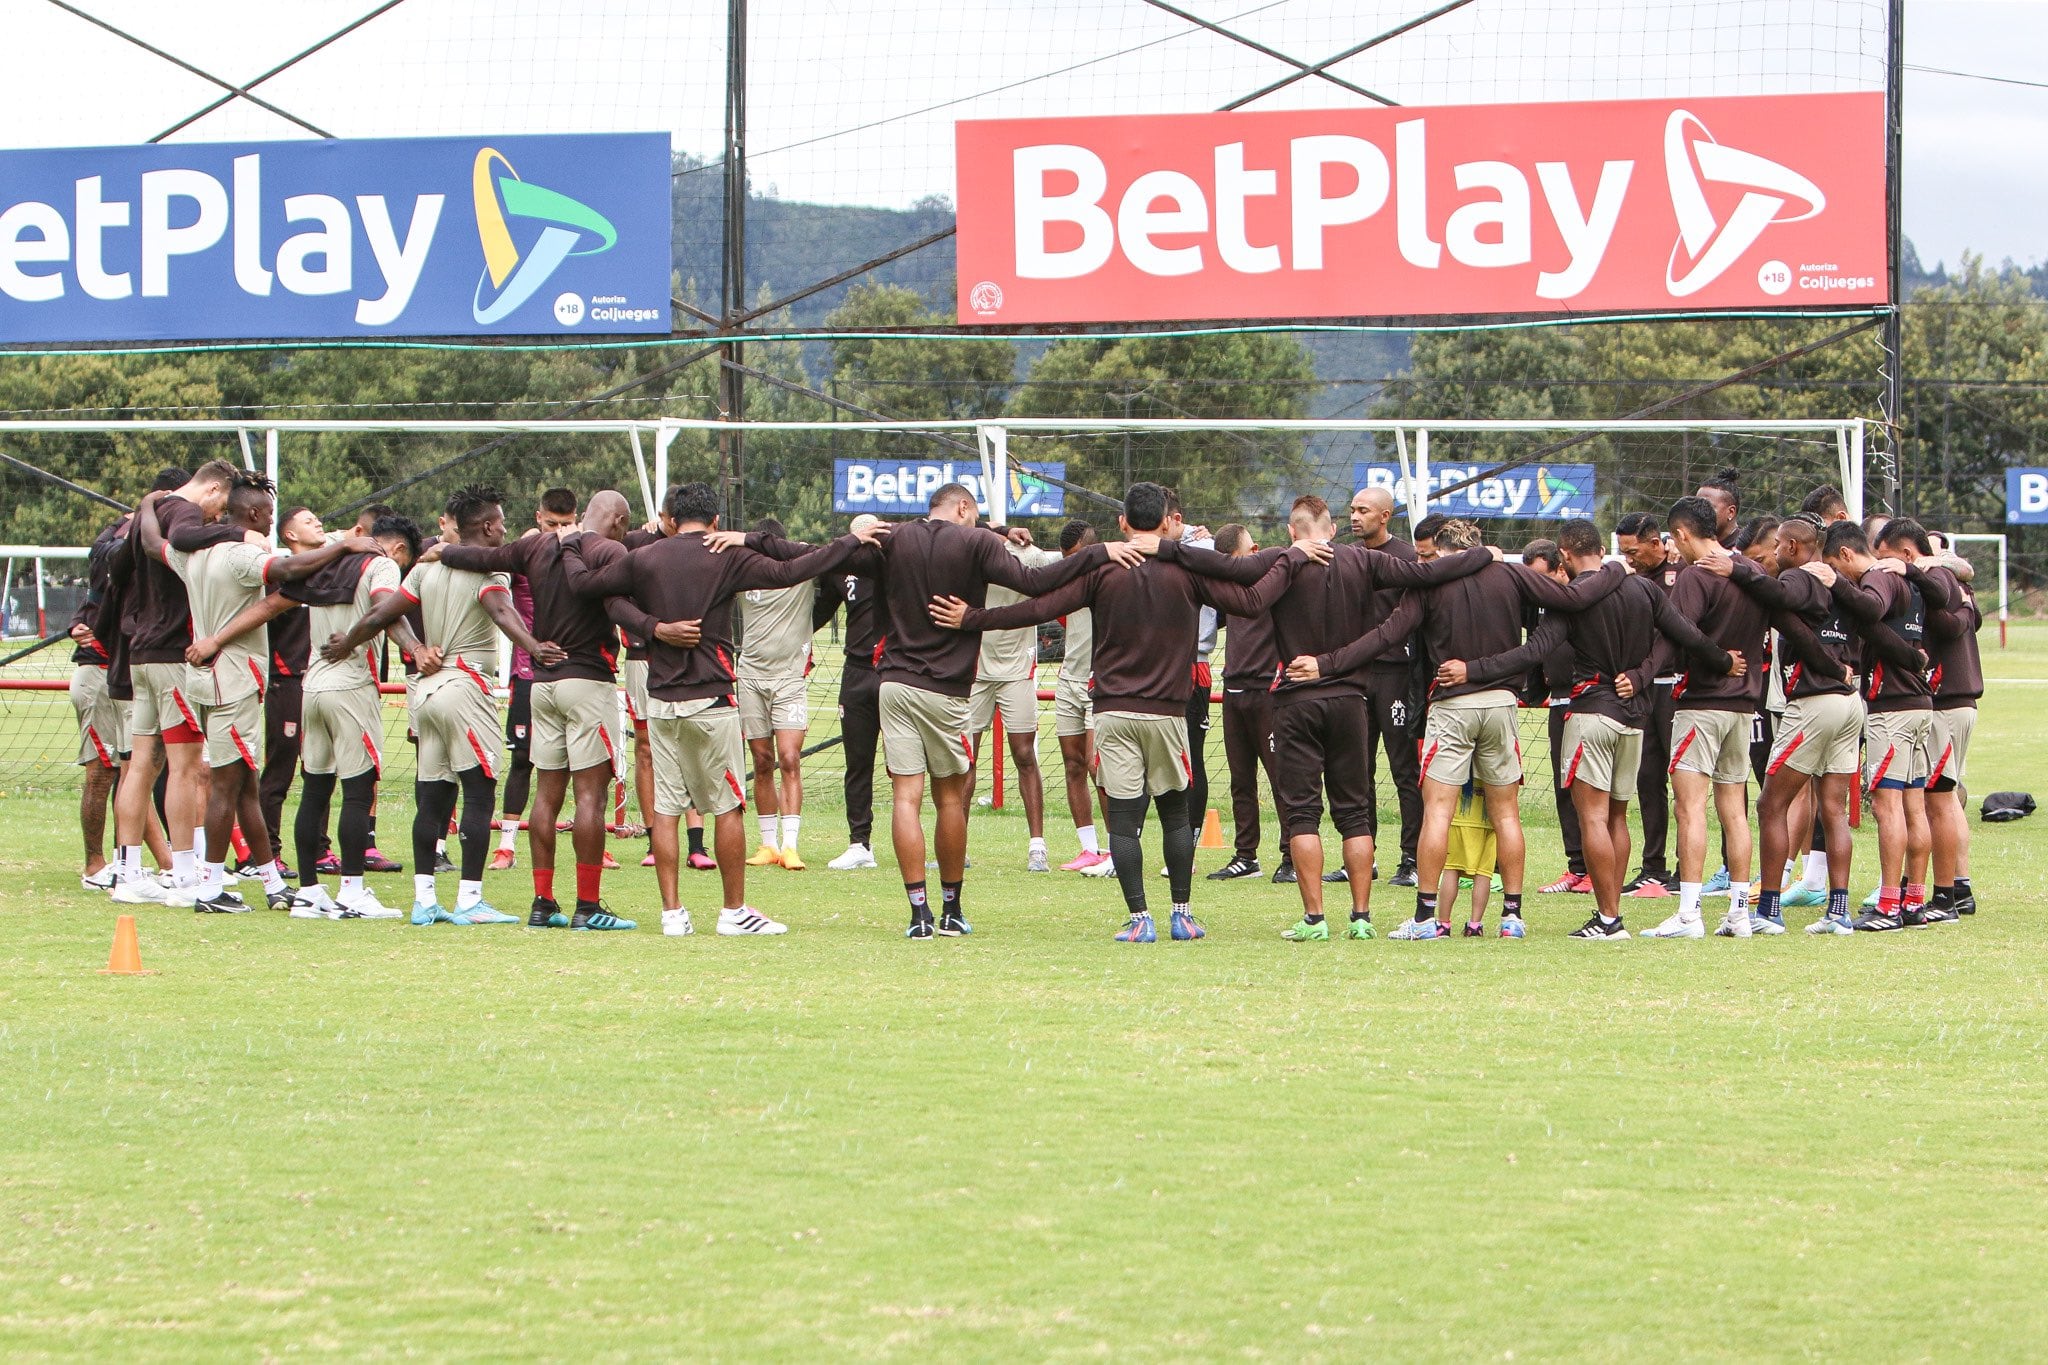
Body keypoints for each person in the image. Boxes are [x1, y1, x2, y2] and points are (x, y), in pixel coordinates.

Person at [1171, 497, 1496, 941]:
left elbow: (1226, 569)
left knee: (1303, 814)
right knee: (1356, 814)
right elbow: (1428, 572)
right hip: (1350, 701)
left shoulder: (1280, 560)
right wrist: (1484, 553)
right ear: (1333, 526)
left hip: (1295, 702)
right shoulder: (1364, 561)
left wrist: (1159, 547)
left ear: (1292, 530)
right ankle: (1361, 917)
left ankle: (1314, 919)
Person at [930, 482, 1241, 943]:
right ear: (1167, 521)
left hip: (1113, 713)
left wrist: (973, 618)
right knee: (1175, 815)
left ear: (1121, 523)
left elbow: (1037, 605)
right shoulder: (1189, 573)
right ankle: (1182, 913)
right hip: (1169, 715)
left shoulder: (1103, 572)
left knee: (1123, 819)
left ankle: (1139, 920)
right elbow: (1248, 585)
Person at [1292, 517, 1627, 941]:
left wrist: (1327, 663)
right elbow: (1570, 599)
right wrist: (1614, 567)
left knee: (1438, 811)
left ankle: (1427, 917)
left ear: (1441, 551)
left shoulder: (1430, 584)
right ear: (1479, 544)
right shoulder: (1510, 573)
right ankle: (1512, 917)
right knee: (1507, 814)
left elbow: (1385, 636)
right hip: (1504, 704)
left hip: (1452, 706)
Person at [566, 481, 871, 937]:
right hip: (711, 700)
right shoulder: (725, 553)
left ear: (670, 518)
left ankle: (672, 914)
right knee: (728, 806)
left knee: (666, 811)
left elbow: (593, 589)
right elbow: (796, 568)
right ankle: (733, 911)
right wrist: (849, 542)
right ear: (714, 522)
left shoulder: (645, 558)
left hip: (662, 701)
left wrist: (650, 624)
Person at [828, 481, 1126, 940]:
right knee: (948, 798)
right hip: (945, 691)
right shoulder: (977, 541)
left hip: (892, 684)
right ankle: (951, 910)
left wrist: (846, 540)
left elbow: (825, 559)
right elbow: (1035, 582)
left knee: (906, 798)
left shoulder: (894, 539)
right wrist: (1100, 552)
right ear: (965, 507)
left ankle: (917, 915)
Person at [1456, 520, 1739, 939]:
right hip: (1633, 720)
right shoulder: (1643, 588)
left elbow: (1533, 651)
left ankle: (1609, 918)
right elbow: (1685, 634)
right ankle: (1611, 911)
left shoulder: (1570, 601)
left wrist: (1473, 670)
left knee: (1592, 817)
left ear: (1566, 556)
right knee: (1618, 817)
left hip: (1590, 715)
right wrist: (1724, 661)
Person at [329, 485, 562, 926]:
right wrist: (533, 646)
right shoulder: (490, 574)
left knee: (433, 797)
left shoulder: (423, 571)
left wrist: (349, 641)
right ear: (489, 526)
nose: (505, 529)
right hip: (465, 685)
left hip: (425, 689)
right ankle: (471, 899)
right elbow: (499, 611)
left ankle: (424, 901)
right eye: (502, 522)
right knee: (478, 791)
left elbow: (383, 614)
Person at [140, 472, 374, 912]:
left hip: (205, 679)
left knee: (245, 781)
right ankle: (210, 888)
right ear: (251, 513)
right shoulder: (239, 556)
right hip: (235, 680)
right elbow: (286, 570)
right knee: (226, 784)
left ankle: (270, 882)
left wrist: (150, 506)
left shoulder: (193, 557)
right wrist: (343, 546)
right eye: (267, 513)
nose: (269, 521)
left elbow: (154, 545)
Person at [434, 489, 651, 931]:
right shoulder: (608, 550)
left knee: (547, 794)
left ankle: (542, 902)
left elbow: (472, 557)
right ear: (620, 522)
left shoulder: (534, 544)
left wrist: (439, 550)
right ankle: (588, 907)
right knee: (591, 795)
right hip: (587, 681)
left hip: (541, 685)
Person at [1702, 515, 1862, 935]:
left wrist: (1735, 568)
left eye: (1776, 547)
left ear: (1793, 547)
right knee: (1834, 808)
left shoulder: (1803, 577)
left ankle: (1769, 910)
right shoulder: (1840, 582)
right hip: (1850, 703)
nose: (1773, 555)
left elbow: (1776, 592)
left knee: (1771, 803)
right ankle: (1838, 911)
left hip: (1814, 704)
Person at [108, 460, 239, 906]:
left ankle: (127, 873)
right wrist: (241, 536)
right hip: (171, 655)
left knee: (140, 763)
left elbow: (118, 567)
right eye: (222, 505)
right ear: (214, 488)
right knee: (185, 766)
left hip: (141, 654)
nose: (219, 516)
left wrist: (146, 503)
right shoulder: (183, 511)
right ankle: (184, 875)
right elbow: (184, 538)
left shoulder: (148, 516)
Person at [1822, 521, 1954, 930]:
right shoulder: (1904, 578)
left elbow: (1871, 611)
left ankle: (1889, 905)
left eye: (1834, 566)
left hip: (1893, 709)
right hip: (1919, 707)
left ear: (1845, 555)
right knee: (1914, 806)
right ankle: (1914, 900)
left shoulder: (1877, 577)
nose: (1837, 576)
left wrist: (1837, 587)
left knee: (1887, 806)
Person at [70, 501, 172, 891]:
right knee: (101, 773)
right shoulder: (119, 551)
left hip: (126, 677)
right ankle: (95, 865)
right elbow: (95, 607)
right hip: (98, 674)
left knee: (137, 769)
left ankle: (155, 863)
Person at [1885, 520, 1984, 918]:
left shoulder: (1936, 579)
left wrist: (1932, 579)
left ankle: (1950, 892)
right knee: (1944, 796)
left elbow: (1948, 623)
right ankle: (1955, 887)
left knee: (1939, 798)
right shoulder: (1953, 583)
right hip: (1957, 702)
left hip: (1945, 701)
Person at [491, 488, 580, 871]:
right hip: (529, 671)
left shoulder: (583, 551)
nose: (558, 530)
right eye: (551, 523)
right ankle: (507, 845)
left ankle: (595, 844)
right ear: (538, 517)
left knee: (585, 762)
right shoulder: (522, 553)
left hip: (577, 671)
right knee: (524, 759)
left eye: (566, 523)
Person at [965, 526, 1058, 872]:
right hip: (975, 671)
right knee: (964, 758)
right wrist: (1000, 529)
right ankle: (957, 842)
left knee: (1024, 754)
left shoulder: (1030, 557)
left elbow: (1072, 557)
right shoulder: (969, 555)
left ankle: (1037, 846)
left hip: (1017, 670)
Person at [1346, 485, 1424, 886]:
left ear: (1384, 516)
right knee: (1357, 770)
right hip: (1356, 675)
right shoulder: (1348, 557)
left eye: (1363, 510)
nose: (1355, 516)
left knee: (1403, 769)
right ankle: (1362, 857)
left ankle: (1411, 859)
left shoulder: (1407, 559)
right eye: (1352, 510)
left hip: (1395, 676)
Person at [737, 516, 821, 872]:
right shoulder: (741, 571)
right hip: (750, 676)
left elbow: (829, 553)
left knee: (789, 757)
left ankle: (790, 845)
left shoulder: (801, 568)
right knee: (760, 761)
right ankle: (768, 844)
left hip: (788, 678)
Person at [253, 505, 326, 878]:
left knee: (322, 767)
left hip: (324, 682)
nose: (318, 522)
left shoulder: (331, 571)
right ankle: (265, 852)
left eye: (318, 518)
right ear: (290, 536)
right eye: (307, 520)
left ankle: (320, 848)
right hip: (289, 681)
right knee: (280, 768)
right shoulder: (279, 576)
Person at [1208, 523, 1284, 882]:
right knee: (1241, 779)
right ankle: (1246, 856)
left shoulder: (1276, 583)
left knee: (1282, 777)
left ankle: (1291, 855)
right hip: (1234, 690)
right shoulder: (1225, 588)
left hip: (1268, 692)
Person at [1613, 510, 1682, 898]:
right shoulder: (1628, 578)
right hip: (1642, 689)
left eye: (1634, 551)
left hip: (1676, 687)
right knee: (1647, 776)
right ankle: (1653, 867)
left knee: (1686, 779)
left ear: (1658, 543)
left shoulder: (1683, 571)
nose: (1630, 558)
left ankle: (1689, 868)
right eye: (1624, 552)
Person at [1516, 539, 1590, 896]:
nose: (1536, 588)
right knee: (1563, 786)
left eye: (1541, 578)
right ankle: (1577, 867)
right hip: (1558, 702)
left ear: (1561, 569)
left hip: (1588, 702)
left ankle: (1596, 868)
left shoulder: (1583, 598)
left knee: (1589, 787)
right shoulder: (1540, 604)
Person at [1042, 520, 1113, 874]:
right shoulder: (1064, 577)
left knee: (1096, 765)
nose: (1072, 563)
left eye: (1077, 556)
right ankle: (1089, 848)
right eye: (1067, 558)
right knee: (1072, 764)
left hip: (1098, 681)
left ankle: (1117, 851)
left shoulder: (1112, 572)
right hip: (1069, 678)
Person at [818, 518, 887, 871]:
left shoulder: (899, 563)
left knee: (914, 764)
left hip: (896, 671)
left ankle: (934, 843)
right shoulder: (839, 569)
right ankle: (860, 843)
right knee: (857, 763)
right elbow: (819, 613)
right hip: (857, 672)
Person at [1440, 782, 1496, 935]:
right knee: (1484, 873)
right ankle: (1475, 925)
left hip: (1459, 816)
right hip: (1489, 819)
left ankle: (1443, 924)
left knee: (1451, 869)